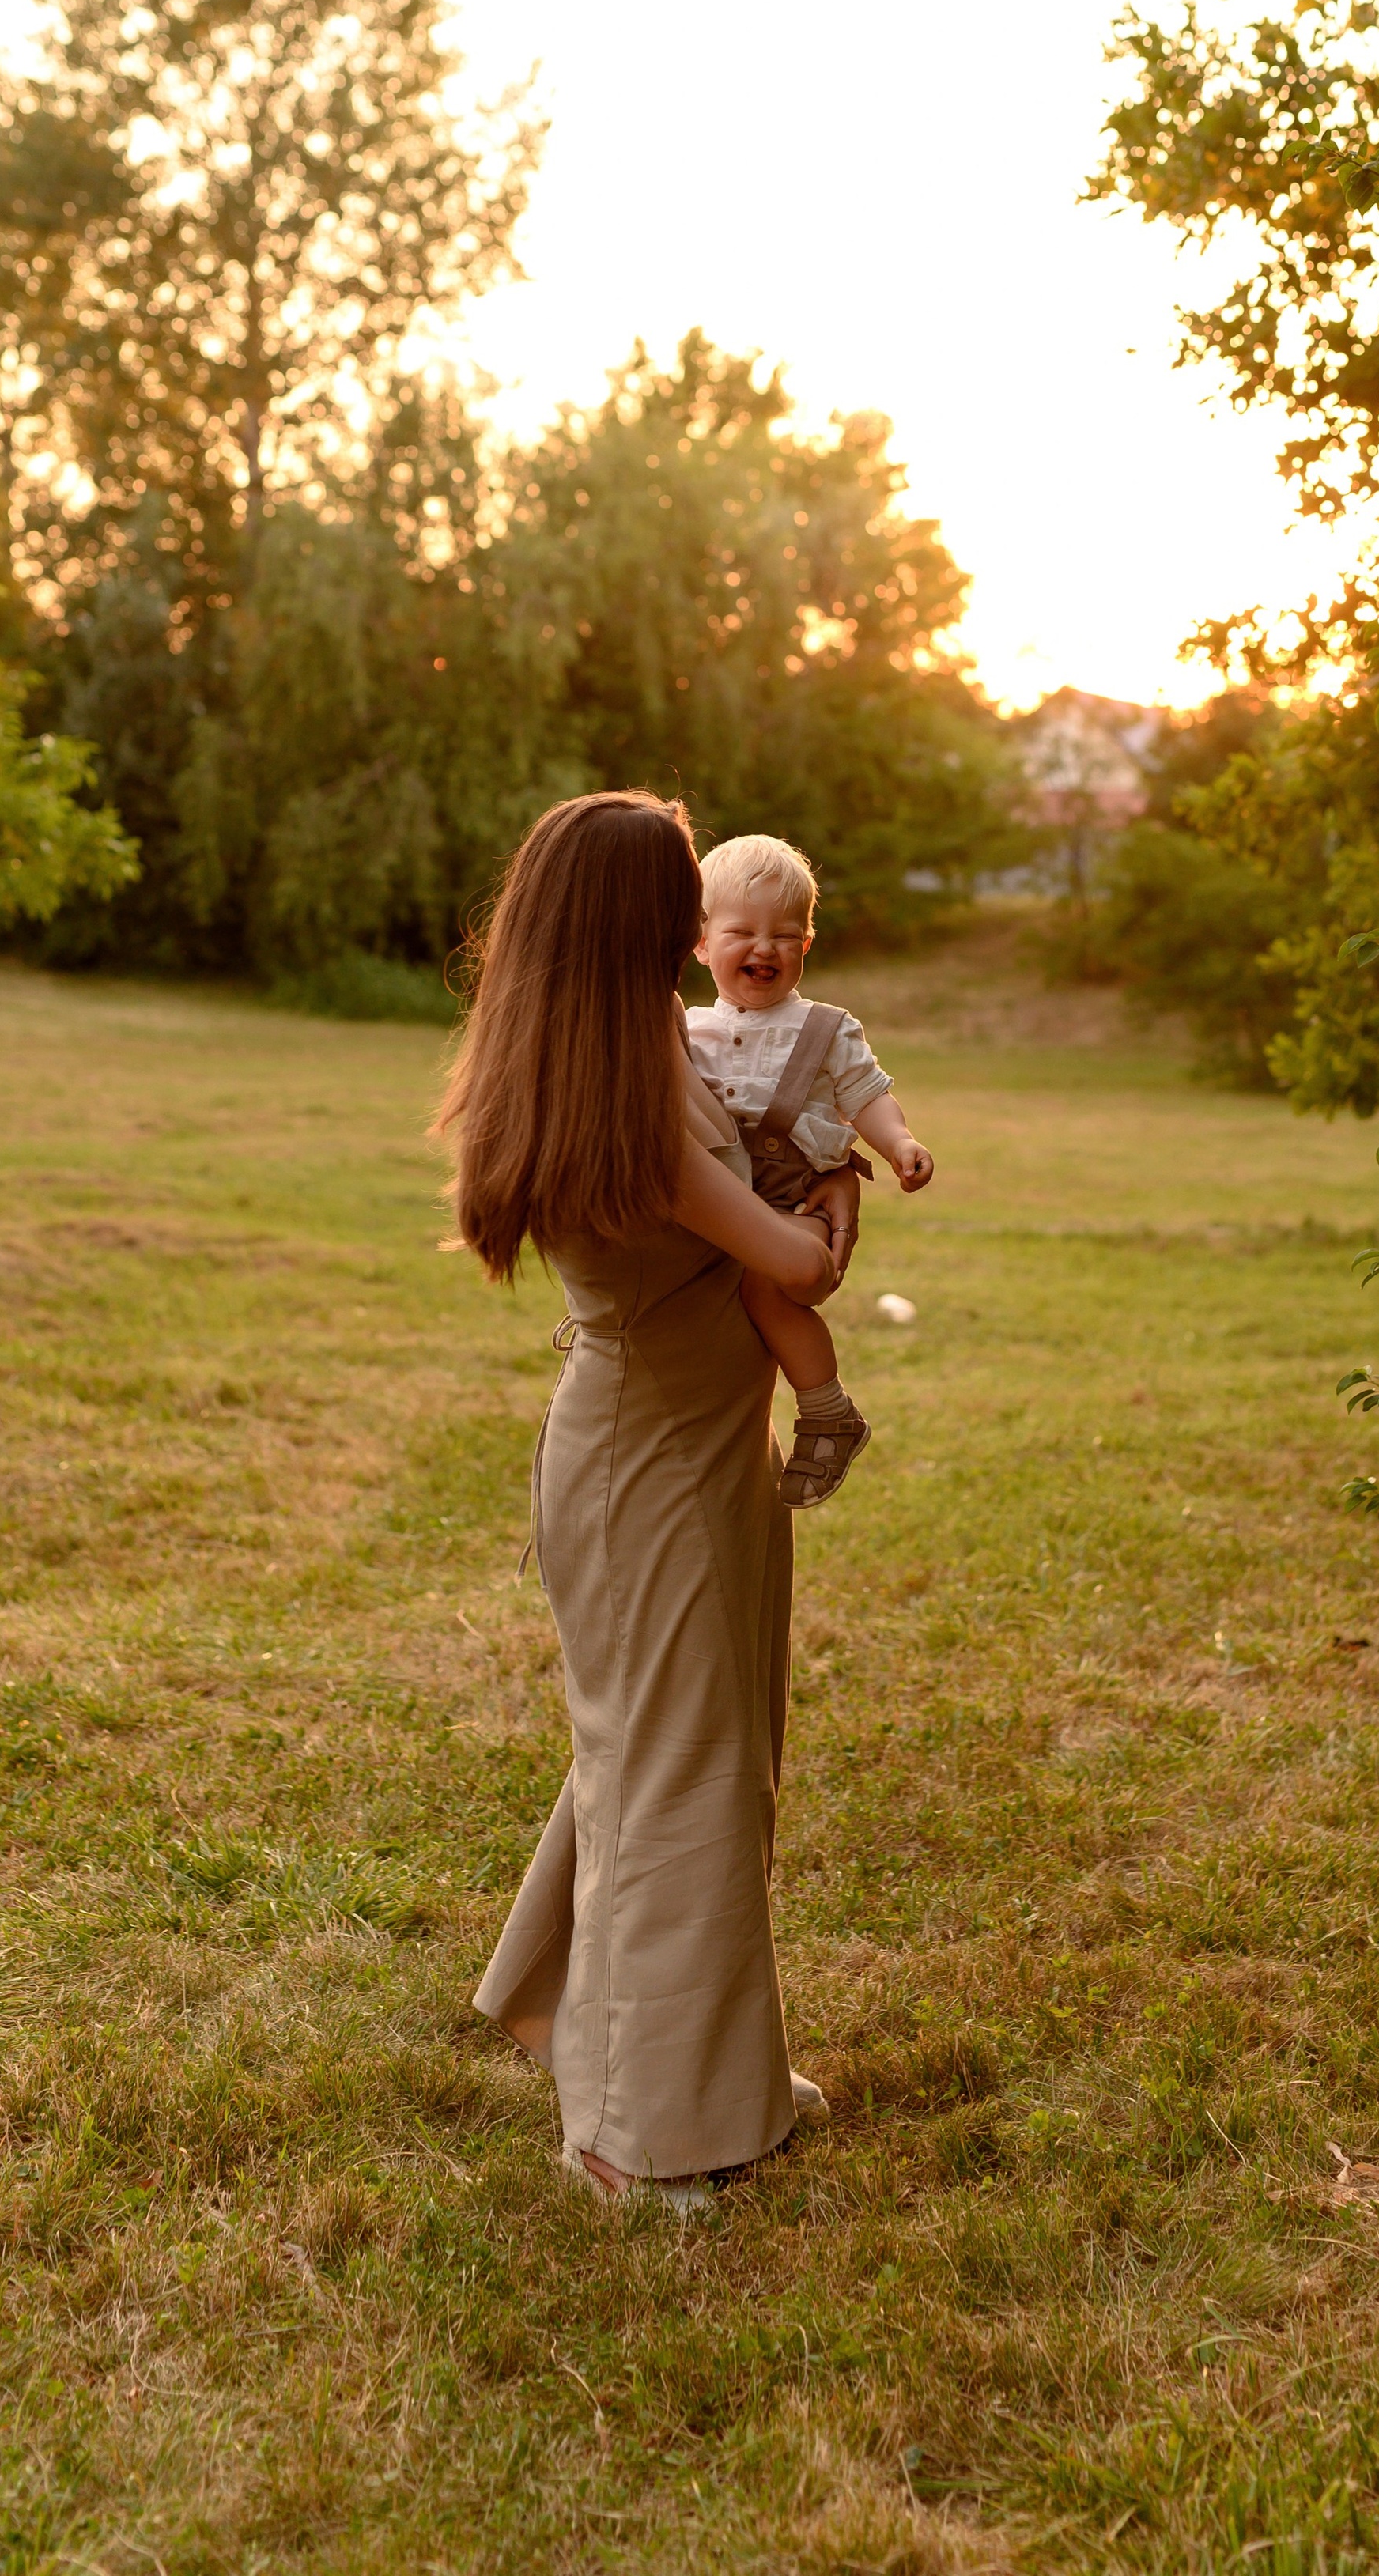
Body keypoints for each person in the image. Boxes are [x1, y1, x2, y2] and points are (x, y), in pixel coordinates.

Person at [434, 789, 860, 2208]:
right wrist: (832, 1215)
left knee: (690, 1753)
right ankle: (632, 2130)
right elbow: (792, 1267)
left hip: (686, 1447)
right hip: (648, 1467)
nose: (699, 916)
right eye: (684, 888)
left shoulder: (608, 1053)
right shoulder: (639, 1086)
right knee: (675, 1771)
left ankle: (691, 2057)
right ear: (639, 922)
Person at [686, 833, 934, 1509]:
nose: (764, 948)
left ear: (807, 946)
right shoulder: (689, 1029)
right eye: (743, 931)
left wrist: (899, 1143)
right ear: (702, 943)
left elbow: (867, 1095)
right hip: (719, 1201)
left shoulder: (827, 1028)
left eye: (784, 935)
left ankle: (827, 1412)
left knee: (769, 1296)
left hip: (794, 1201)